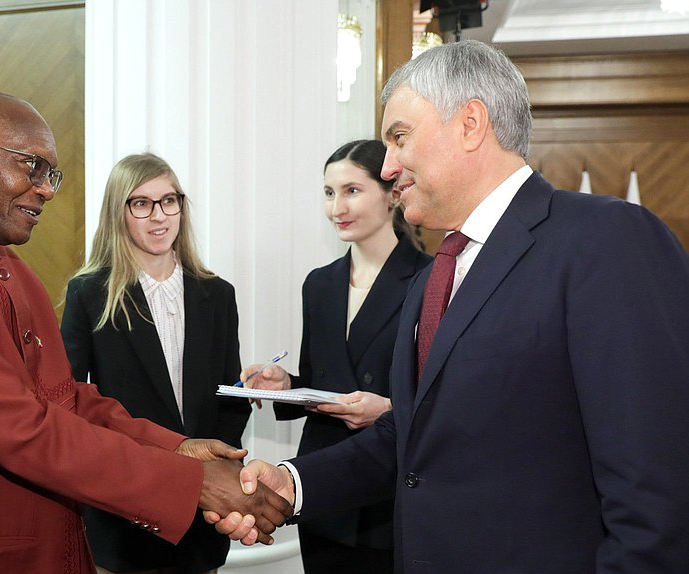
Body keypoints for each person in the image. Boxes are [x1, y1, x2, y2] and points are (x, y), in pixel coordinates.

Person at [210, 40, 689, 573]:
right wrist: (294, 484)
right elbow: (411, 437)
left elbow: (657, 488)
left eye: (398, 137)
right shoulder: (436, 274)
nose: (388, 166)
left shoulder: (606, 240)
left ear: (470, 124)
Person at [0, 88, 291, 574]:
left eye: (50, 173)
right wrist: (191, 481)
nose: (47, 189)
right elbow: (19, 427)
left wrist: (175, 446)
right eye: (31, 166)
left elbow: (65, 398)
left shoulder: (10, 266)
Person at [239, 139, 430, 574]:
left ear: (392, 194)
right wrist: (285, 383)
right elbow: (322, 376)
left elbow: (442, 395)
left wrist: (389, 410)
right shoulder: (319, 284)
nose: (336, 207)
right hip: (324, 485)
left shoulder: (430, 279)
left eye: (352, 191)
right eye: (328, 192)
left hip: (393, 487)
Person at [61, 152, 251, 574]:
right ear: (119, 213)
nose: (159, 216)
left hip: (202, 513)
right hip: (125, 507)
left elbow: (230, 396)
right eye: (141, 204)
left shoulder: (218, 294)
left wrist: (217, 474)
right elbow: (70, 400)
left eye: (170, 200)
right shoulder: (89, 294)